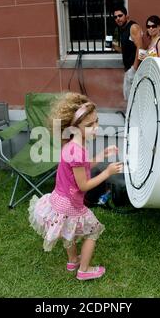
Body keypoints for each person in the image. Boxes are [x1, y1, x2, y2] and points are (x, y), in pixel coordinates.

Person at [28, 92, 123, 280]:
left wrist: (102, 156)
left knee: (67, 230)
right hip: (71, 203)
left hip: (59, 198)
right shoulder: (76, 151)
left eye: (96, 121)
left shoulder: (72, 144)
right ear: (74, 128)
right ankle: (84, 270)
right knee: (93, 231)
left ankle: (73, 260)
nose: (96, 128)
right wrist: (107, 172)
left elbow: (82, 168)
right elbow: (84, 185)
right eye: (89, 125)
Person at [112, 6, 143, 101]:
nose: (118, 18)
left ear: (127, 16)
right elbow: (127, 49)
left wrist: (134, 68)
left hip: (135, 69)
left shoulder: (133, 27)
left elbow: (141, 48)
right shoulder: (122, 29)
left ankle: (134, 116)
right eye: (115, 17)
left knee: (134, 98)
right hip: (129, 69)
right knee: (129, 97)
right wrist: (114, 47)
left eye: (120, 16)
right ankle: (131, 115)